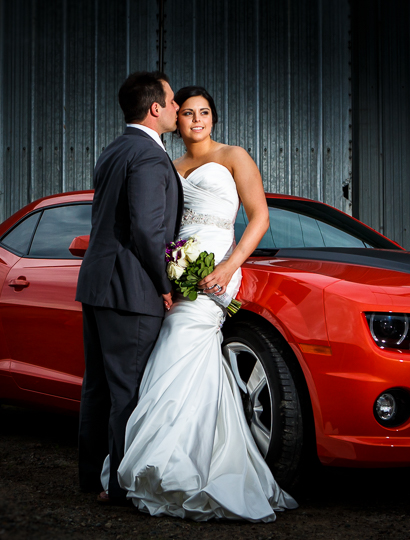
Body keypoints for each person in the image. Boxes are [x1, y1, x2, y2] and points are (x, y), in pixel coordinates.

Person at [102, 86, 298, 521]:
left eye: (204, 112)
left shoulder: (234, 156)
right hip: (179, 274)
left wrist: (230, 266)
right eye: (187, 112)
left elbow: (260, 216)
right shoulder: (168, 166)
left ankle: (164, 465)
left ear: (214, 117)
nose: (195, 120)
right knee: (183, 361)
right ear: (175, 118)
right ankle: (184, 460)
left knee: (176, 346)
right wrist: (166, 274)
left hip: (218, 274)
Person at [75, 71, 183, 505]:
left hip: (97, 285)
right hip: (131, 290)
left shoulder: (114, 149)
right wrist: (164, 282)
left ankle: (91, 478)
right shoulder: (151, 157)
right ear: (155, 108)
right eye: (173, 101)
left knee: (97, 386)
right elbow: (145, 228)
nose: (177, 108)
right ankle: (120, 488)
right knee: (128, 392)